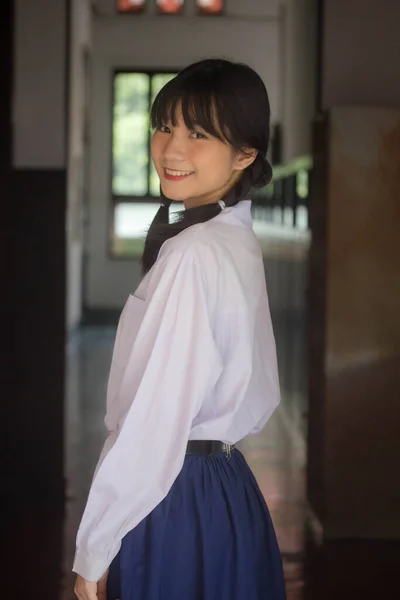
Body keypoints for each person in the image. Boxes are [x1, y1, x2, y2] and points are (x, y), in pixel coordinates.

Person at [73, 58, 286, 600]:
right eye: (165, 126)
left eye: (198, 132)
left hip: (171, 498)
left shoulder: (195, 252)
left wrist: (95, 549)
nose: (172, 149)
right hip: (227, 493)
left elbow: (153, 421)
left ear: (246, 152)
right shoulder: (235, 239)